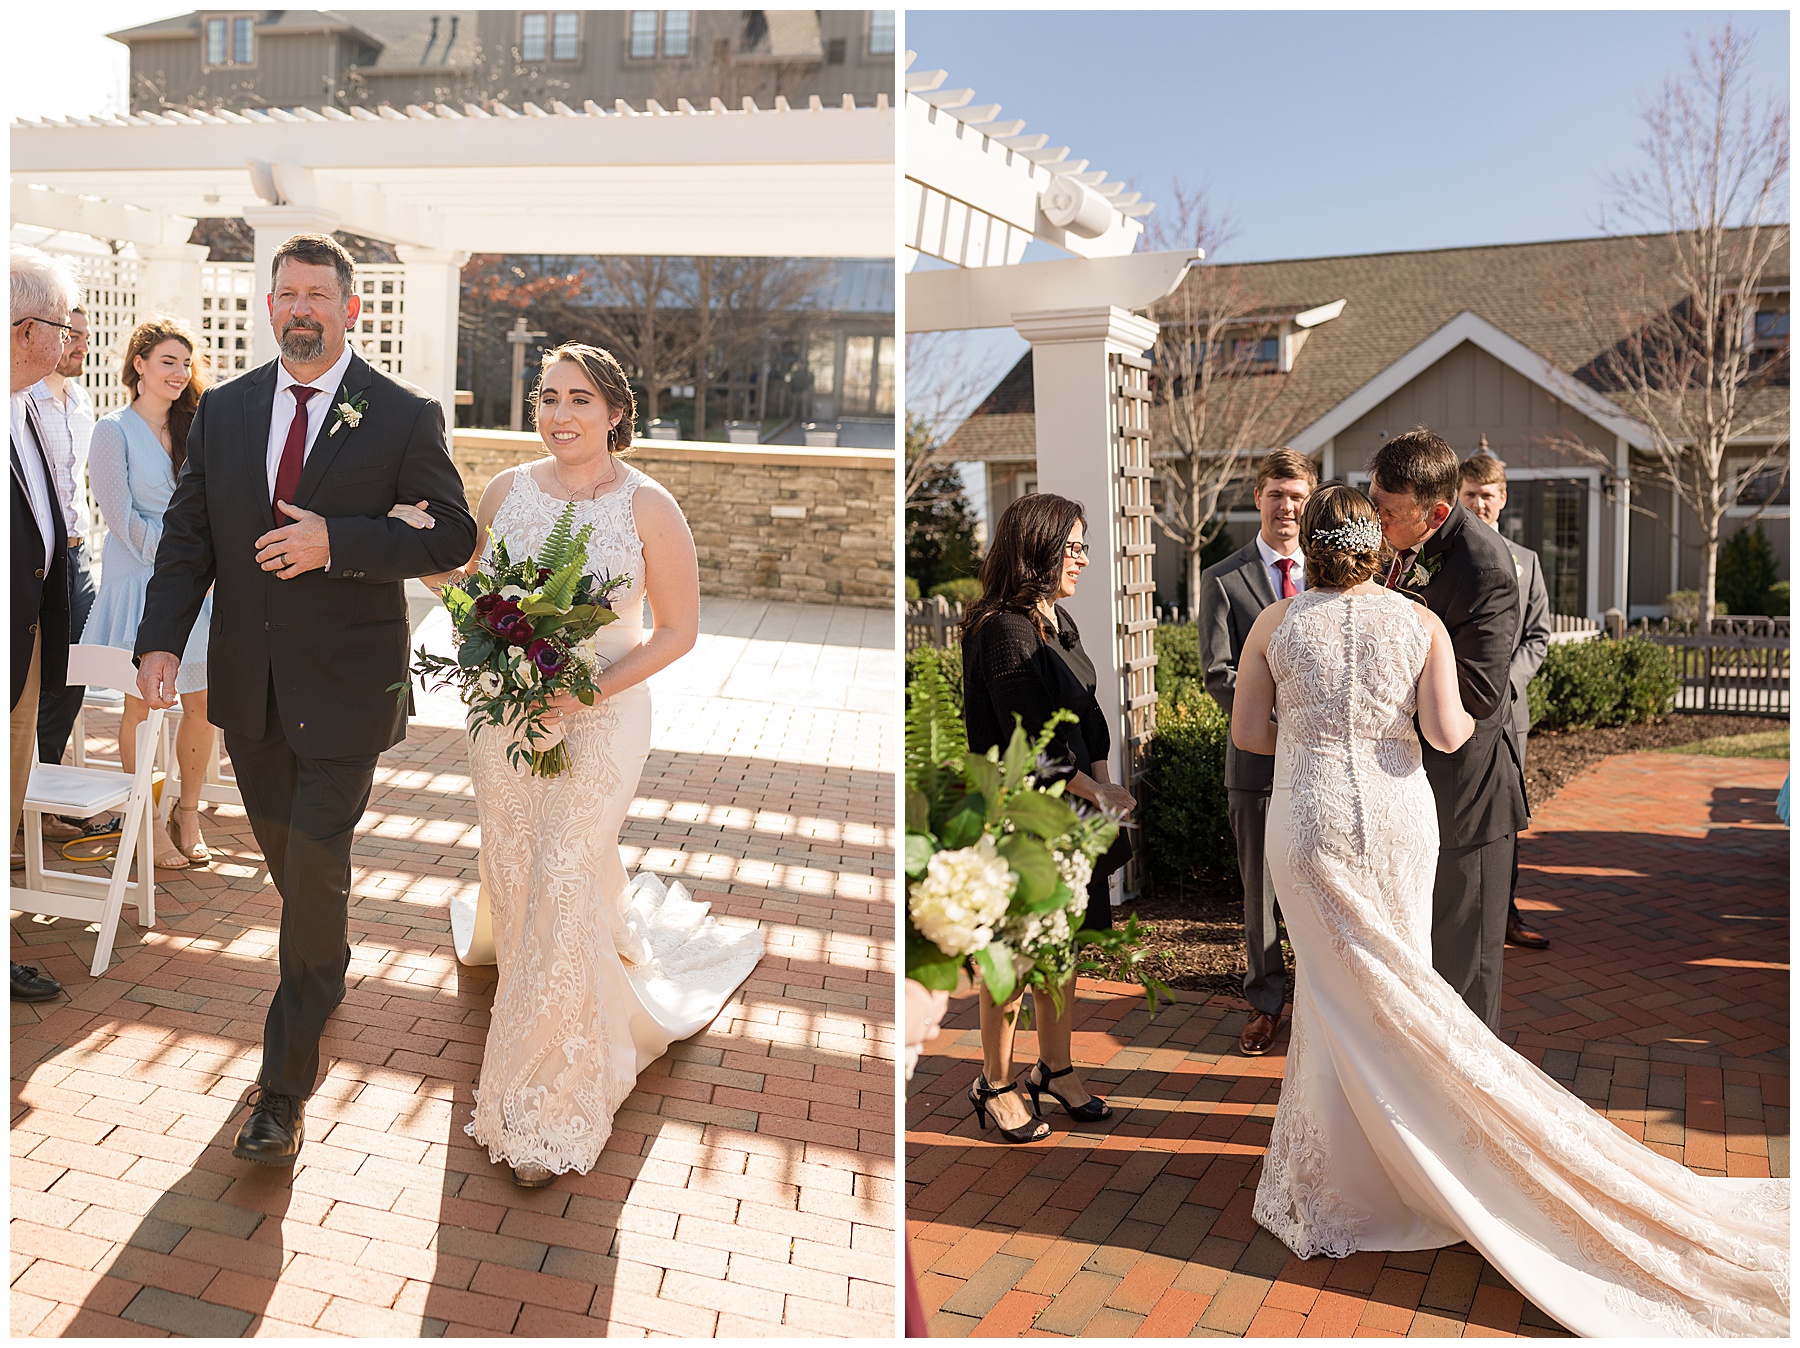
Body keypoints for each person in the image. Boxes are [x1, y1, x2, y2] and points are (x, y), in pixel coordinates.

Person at [1230, 484, 1787, 1336]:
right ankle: (1409, 1162)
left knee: (1337, 996)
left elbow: (1251, 739)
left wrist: (1316, 728)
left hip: (1304, 827)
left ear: (1309, 543)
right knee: (1403, 988)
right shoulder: (1418, 625)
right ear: (1376, 543)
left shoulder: (1277, 625)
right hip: (1393, 820)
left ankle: (1343, 1178)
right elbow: (1451, 734)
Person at [135, 233, 478, 1165]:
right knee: (296, 867)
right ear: (270, 304)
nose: (300, 308)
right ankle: (324, 966)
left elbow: (452, 533)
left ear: (350, 309)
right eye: (286, 293)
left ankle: (280, 1091)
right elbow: (189, 533)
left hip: (346, 691)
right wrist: (162, 636)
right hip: (249, 690)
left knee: (317, 864)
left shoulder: (401, 416)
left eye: (318, 295)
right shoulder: (229, 412)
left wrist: (344, 541)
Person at [424, 343, 764, 1188]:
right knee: (516, 867)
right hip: (504, 718)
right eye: (547, 397)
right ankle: (536, 986)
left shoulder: (650, 506)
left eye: (579, 398)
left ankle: (553, 1094)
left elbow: (677, 632)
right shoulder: (507, 490)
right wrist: (430, 573)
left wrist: (584, 693)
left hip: (602, 717)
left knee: (567, 873)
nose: (560, 414)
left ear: (615, 411)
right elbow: (475, 595)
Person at [958, 492, 1133, 1143]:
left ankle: (1053, 1069)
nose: (1084, 557)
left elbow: (1088, 721)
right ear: (1039, 548)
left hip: (1074, 821)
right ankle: (996, 1083)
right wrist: (1096, 791)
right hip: (1023, 821)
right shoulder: (1002, 630)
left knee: (1060, 948)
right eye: (1075, 545)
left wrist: (1103, 794)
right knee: (1014, 954)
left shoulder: (1057, 622)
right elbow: (1031, 743)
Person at [1368, 427, 1524, 1031]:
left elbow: (1482, 693)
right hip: (1410, 789)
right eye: (1374, 500)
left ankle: (1474, 1110)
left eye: (1387, 511)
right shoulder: (1399, 543)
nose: (1375, 519)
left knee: (1467, 972)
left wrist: (1380, 688)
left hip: (1467, 796)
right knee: (1421, 960)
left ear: (1435, 512)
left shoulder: (1485, 566)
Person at [83, 318, 219, 870]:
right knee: (141, 704)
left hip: (193, 584)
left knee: (202, 702)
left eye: (185, 364)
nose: (179, 373)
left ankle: (187, 813)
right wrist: (181, 558)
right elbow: (119, 517)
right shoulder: (111, 430)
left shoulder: (196, 425)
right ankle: (144, 821)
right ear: (138, 364)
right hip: (140, 577)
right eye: (167, 361)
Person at [1198, 448, 1315, 1056]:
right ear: (1258, 498)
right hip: (1256, 763)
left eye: (1297, 496)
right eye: (1277, 494)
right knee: (1261, 892)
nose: (1287, 506)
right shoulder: (1223, 578)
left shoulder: (1330, 576)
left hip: (1322, 764)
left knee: (1324, 885)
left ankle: (1324, 1007)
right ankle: (1266, 1004)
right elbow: (1217, 672)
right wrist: (1277, 723)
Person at [11, 244, 80, 1004]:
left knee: (12, 794)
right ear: (27, 328)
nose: (71, 341)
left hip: (26, 647)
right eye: (62, 327)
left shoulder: (29, 407)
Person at [1457, 451, 1552, 949]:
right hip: (1449, 711)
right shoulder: (1440, 561)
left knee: (1506, 816)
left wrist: (1500, 683)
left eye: (1486, 495)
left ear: (1503, 497)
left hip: (1508, 714)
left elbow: (1537, 637)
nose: (1478, 504)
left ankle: (1506, 915)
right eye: (1469, 495)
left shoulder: (1527, 562)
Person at [28, 305, 99, 800]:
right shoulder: (19, 401)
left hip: (78, 561)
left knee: (73, 674)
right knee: (25, 680)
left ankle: (41, 796)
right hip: (34, 562)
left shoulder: (83, 401)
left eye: (85, 336)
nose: (81, 345)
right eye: (72, 335)